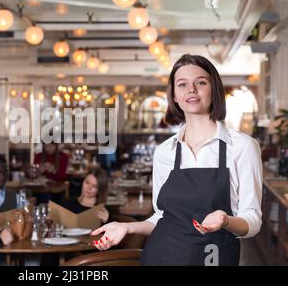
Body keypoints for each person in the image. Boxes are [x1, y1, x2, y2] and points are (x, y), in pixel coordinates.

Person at [91, 54, 263, 266]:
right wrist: (129, 227)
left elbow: (252, 220)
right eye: (182, 84)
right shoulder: (165, 151)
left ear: (214, 90)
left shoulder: (242, 147)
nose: (191, 89)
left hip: (214, 258)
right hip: (161, 256)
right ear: (174, 96)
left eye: (200, 82)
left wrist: (226, 220)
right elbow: (163, 216)